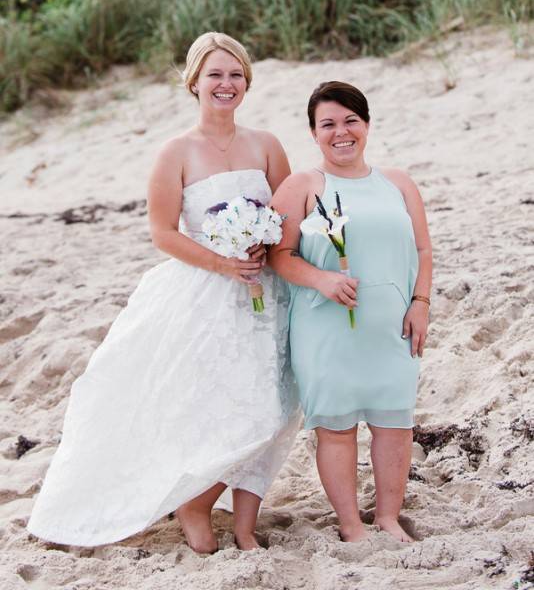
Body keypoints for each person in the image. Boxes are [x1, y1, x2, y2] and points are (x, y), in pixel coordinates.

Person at [27, 32, 300, 554]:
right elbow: (163, 233)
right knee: (212, 403)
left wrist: (268, 245)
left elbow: (287, 214)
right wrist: (225, 263)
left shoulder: (266, 144)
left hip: (267, 293)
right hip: (205, 293)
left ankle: (234, 516)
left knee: (275, 404)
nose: (227, 84)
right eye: (216, 74)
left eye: (236, 74)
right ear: (194, 81)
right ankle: (194, 501)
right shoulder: (175, 151)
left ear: (247, 82)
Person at [269, 80, 432, 543]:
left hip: (392, 324)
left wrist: (421, 303)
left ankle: (387, 517)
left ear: (366, 125)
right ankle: (349, 525)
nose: (341, 133)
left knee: (394, 424)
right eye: (328, 124)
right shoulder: (302, 185)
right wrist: (323, 278)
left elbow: (422, 248)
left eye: (350, 121)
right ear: (313, 132)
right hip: (326, 326)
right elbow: (279, 255)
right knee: (336, 428)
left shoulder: (397, 182)